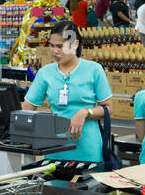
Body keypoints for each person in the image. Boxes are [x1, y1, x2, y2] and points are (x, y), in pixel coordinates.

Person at [21, 20, 113, 164]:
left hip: (88, 148)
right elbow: (27, 107)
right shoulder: (45, 73)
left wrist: (85, 112)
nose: (54, 51)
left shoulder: (94, 70)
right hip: (54, 148)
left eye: (60, 46)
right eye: (51, 45)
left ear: (75, 44)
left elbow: (108, 108)